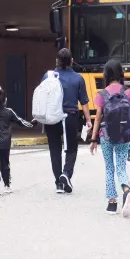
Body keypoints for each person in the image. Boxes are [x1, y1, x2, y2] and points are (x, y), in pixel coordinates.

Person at [89, 59, 130, 216]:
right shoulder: (128, 92)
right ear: (121, 74)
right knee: (121, 166)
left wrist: (93, 139)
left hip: (106, 136)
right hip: (124, 136)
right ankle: (127, 190)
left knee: (109, 168)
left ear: (106, 74)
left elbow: (97, 118)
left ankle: (112, 203)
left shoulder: (102, 94)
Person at [41, 48, 92, 194]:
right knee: (71, 148)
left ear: (57, 60)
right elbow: (84, 102)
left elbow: (42, 97)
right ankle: (66, 174)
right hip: (70, 117)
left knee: (55, 149)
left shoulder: (48, 76)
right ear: (71, 61)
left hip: (52, 117)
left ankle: (58, 183)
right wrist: (88, 120)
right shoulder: (78, 78)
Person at [0, 86, 36, 196]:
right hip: (4, 142)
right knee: (5, 163)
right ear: (5, 100)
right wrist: (32, 123)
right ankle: (7, 185)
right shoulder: (9, 112)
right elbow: (21, 121)